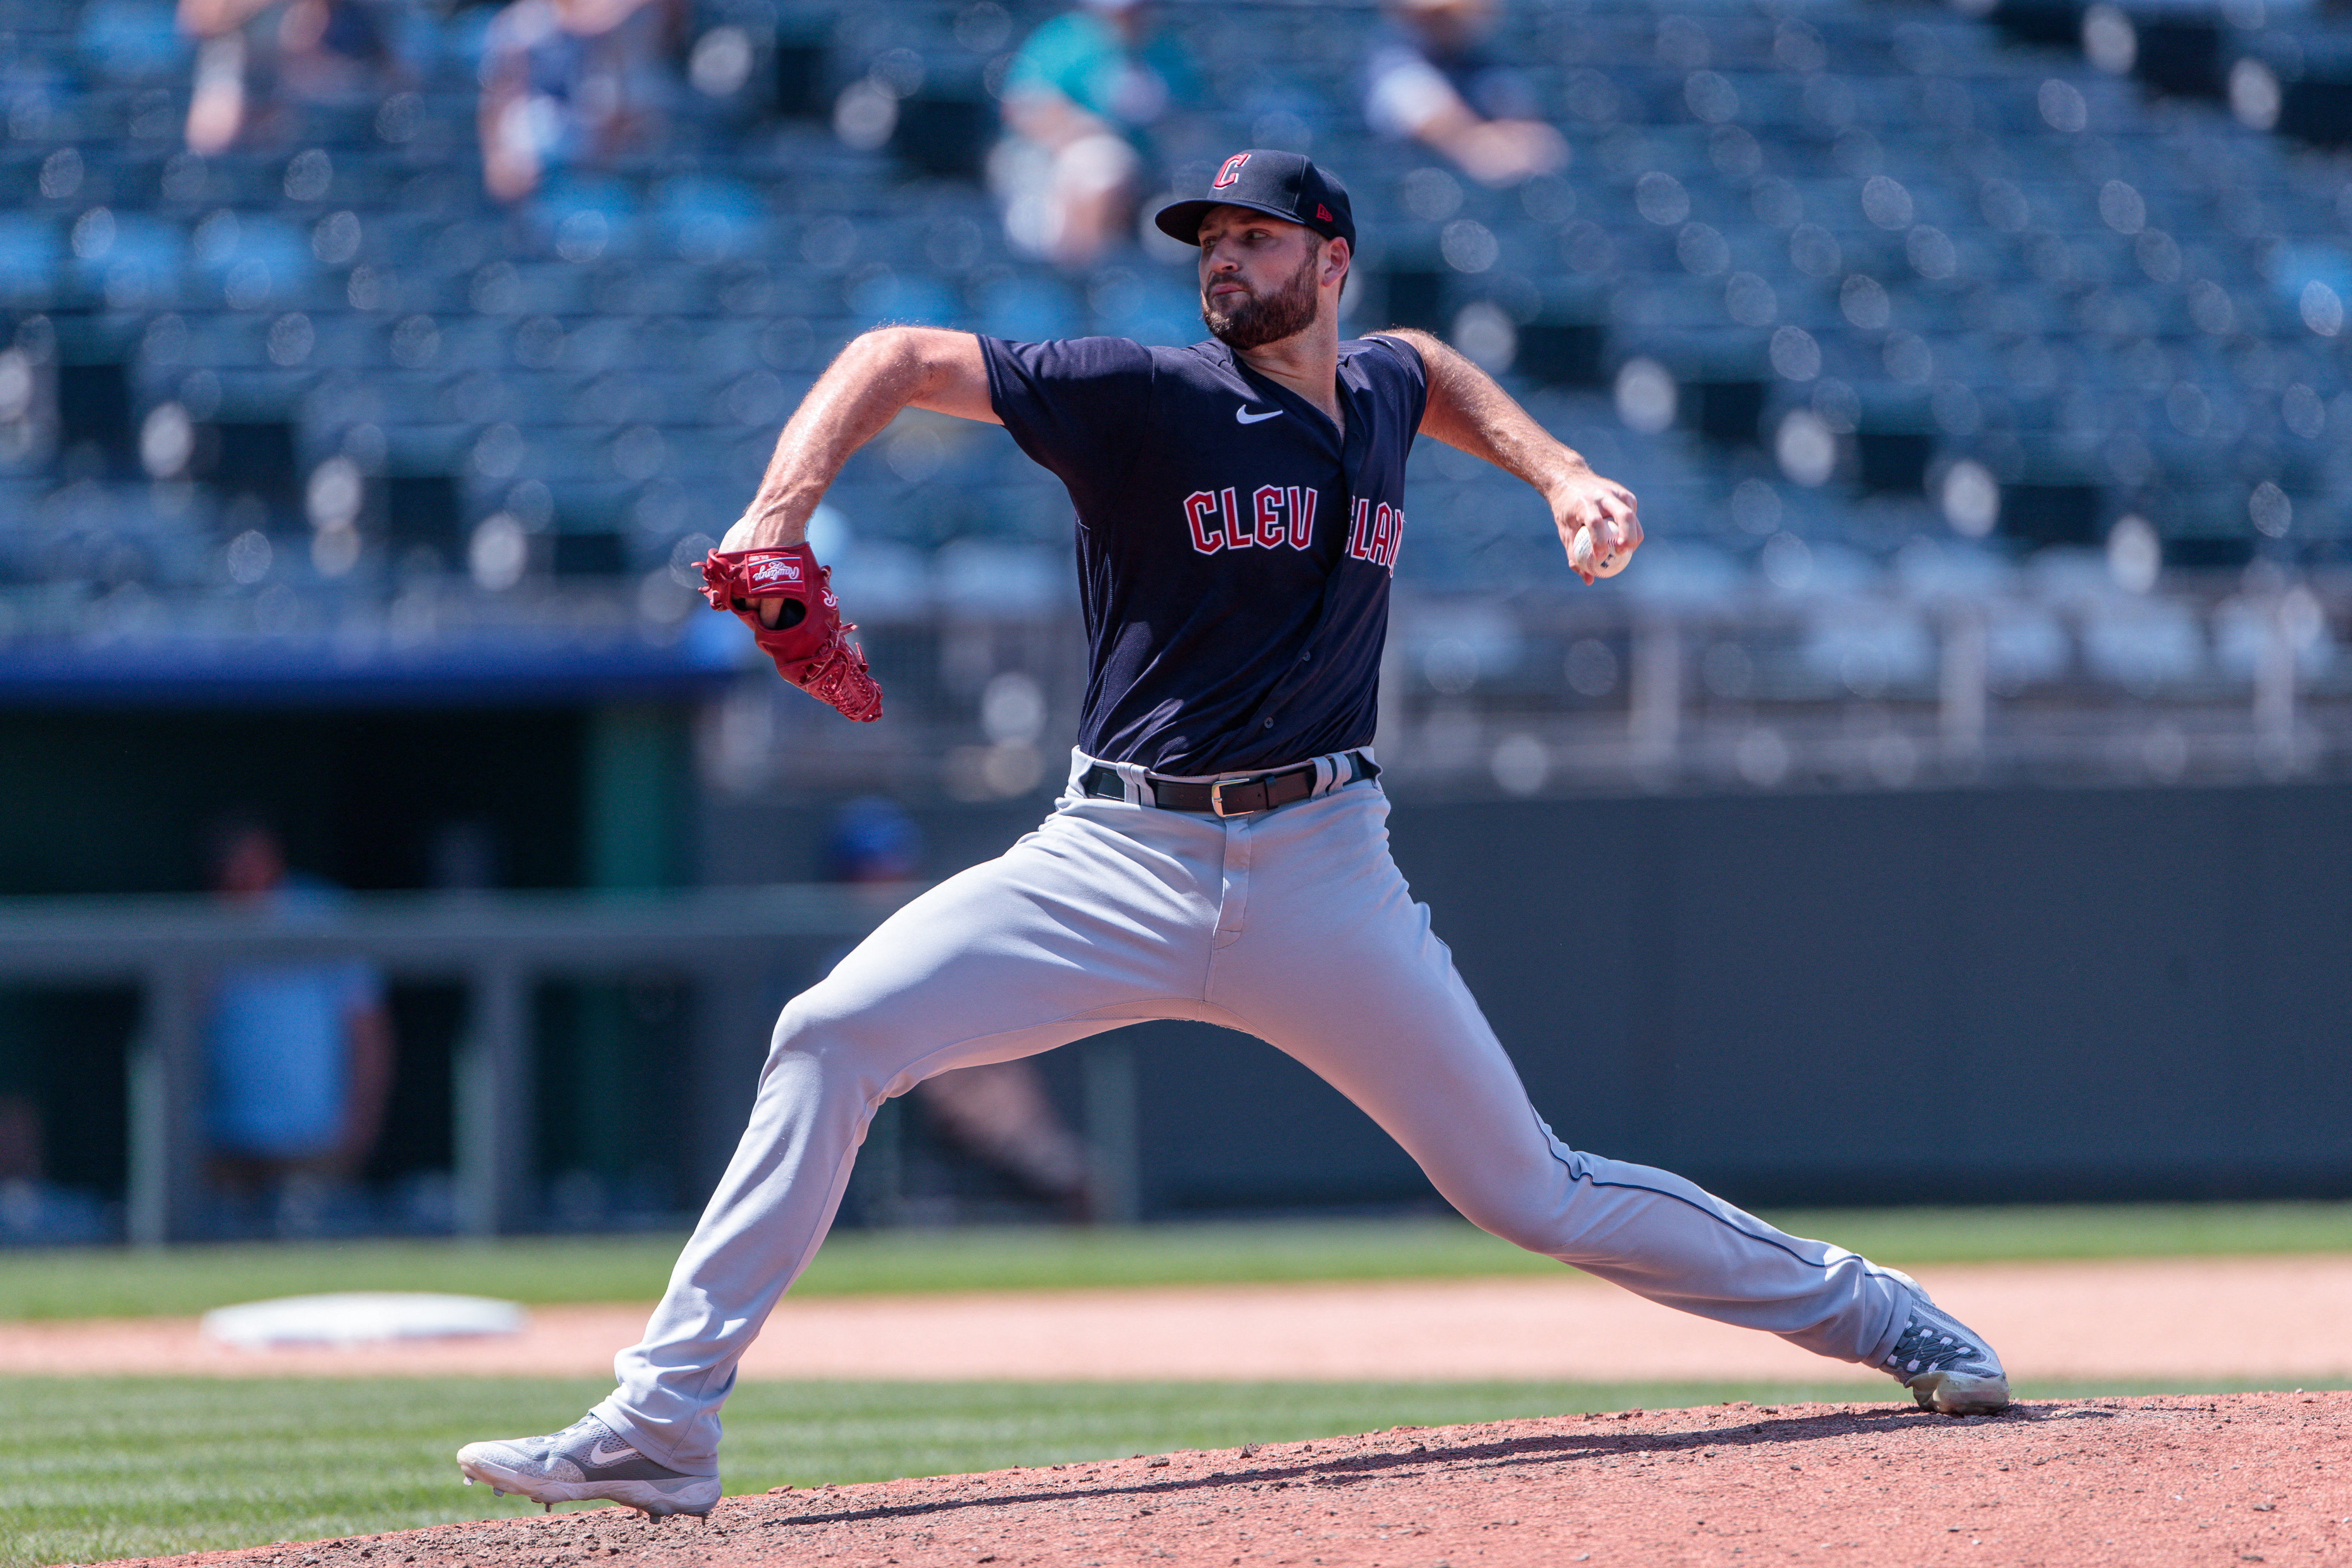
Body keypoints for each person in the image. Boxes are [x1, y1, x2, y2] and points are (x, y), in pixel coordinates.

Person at [455, 150, 2008, 1520]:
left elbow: (1431, 372)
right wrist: (775, 515)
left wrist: (1561, 471)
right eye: (1208, 238)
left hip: (1325, 868)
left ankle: (1877, 1315)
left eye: (1258, 237)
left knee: (1527, 1188)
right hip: (1108, 858)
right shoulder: (1146, 396)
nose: (1223, 258)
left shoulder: (1383, 385)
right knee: (827, 1031)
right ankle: (664, 1420)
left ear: (1329, 260)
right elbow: (897, 354)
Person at [202, 818, 394, 1213]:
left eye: (253, 861)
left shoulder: (321, 914)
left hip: (313, 1136)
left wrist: (362, 1123)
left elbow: (368, 1027)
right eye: (232, 865)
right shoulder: (206, 923)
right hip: (225, 1137)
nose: (244, 874)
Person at [990, 0, 1196, 267]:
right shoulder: (1063, 39)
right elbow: (1022, 107)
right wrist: (1088, 130)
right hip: (1055, 157)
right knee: (1102, 169)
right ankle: (1083, 271)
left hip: (1150, 165)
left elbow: (1187, 116)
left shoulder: (1165, 49)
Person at [1361, 0, 1566, 187]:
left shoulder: (1483, 62)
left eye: (1453, 11)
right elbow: (1460, 141)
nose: (1445, 21)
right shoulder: (1395, 66)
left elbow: (1542, 141)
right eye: (1436, 14)